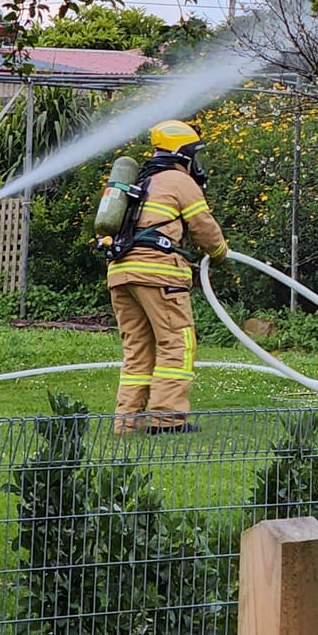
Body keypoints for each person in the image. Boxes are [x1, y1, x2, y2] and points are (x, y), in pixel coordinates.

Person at [105, 120, 228, 434]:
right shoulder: (178, 180)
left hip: (121, 272)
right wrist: (220, 253)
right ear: (183, 153)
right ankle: (167, 419)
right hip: (159, 272)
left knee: (137, 349)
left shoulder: (141, 180)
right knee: (177, 342)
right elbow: (203, 226)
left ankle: (127, 422)